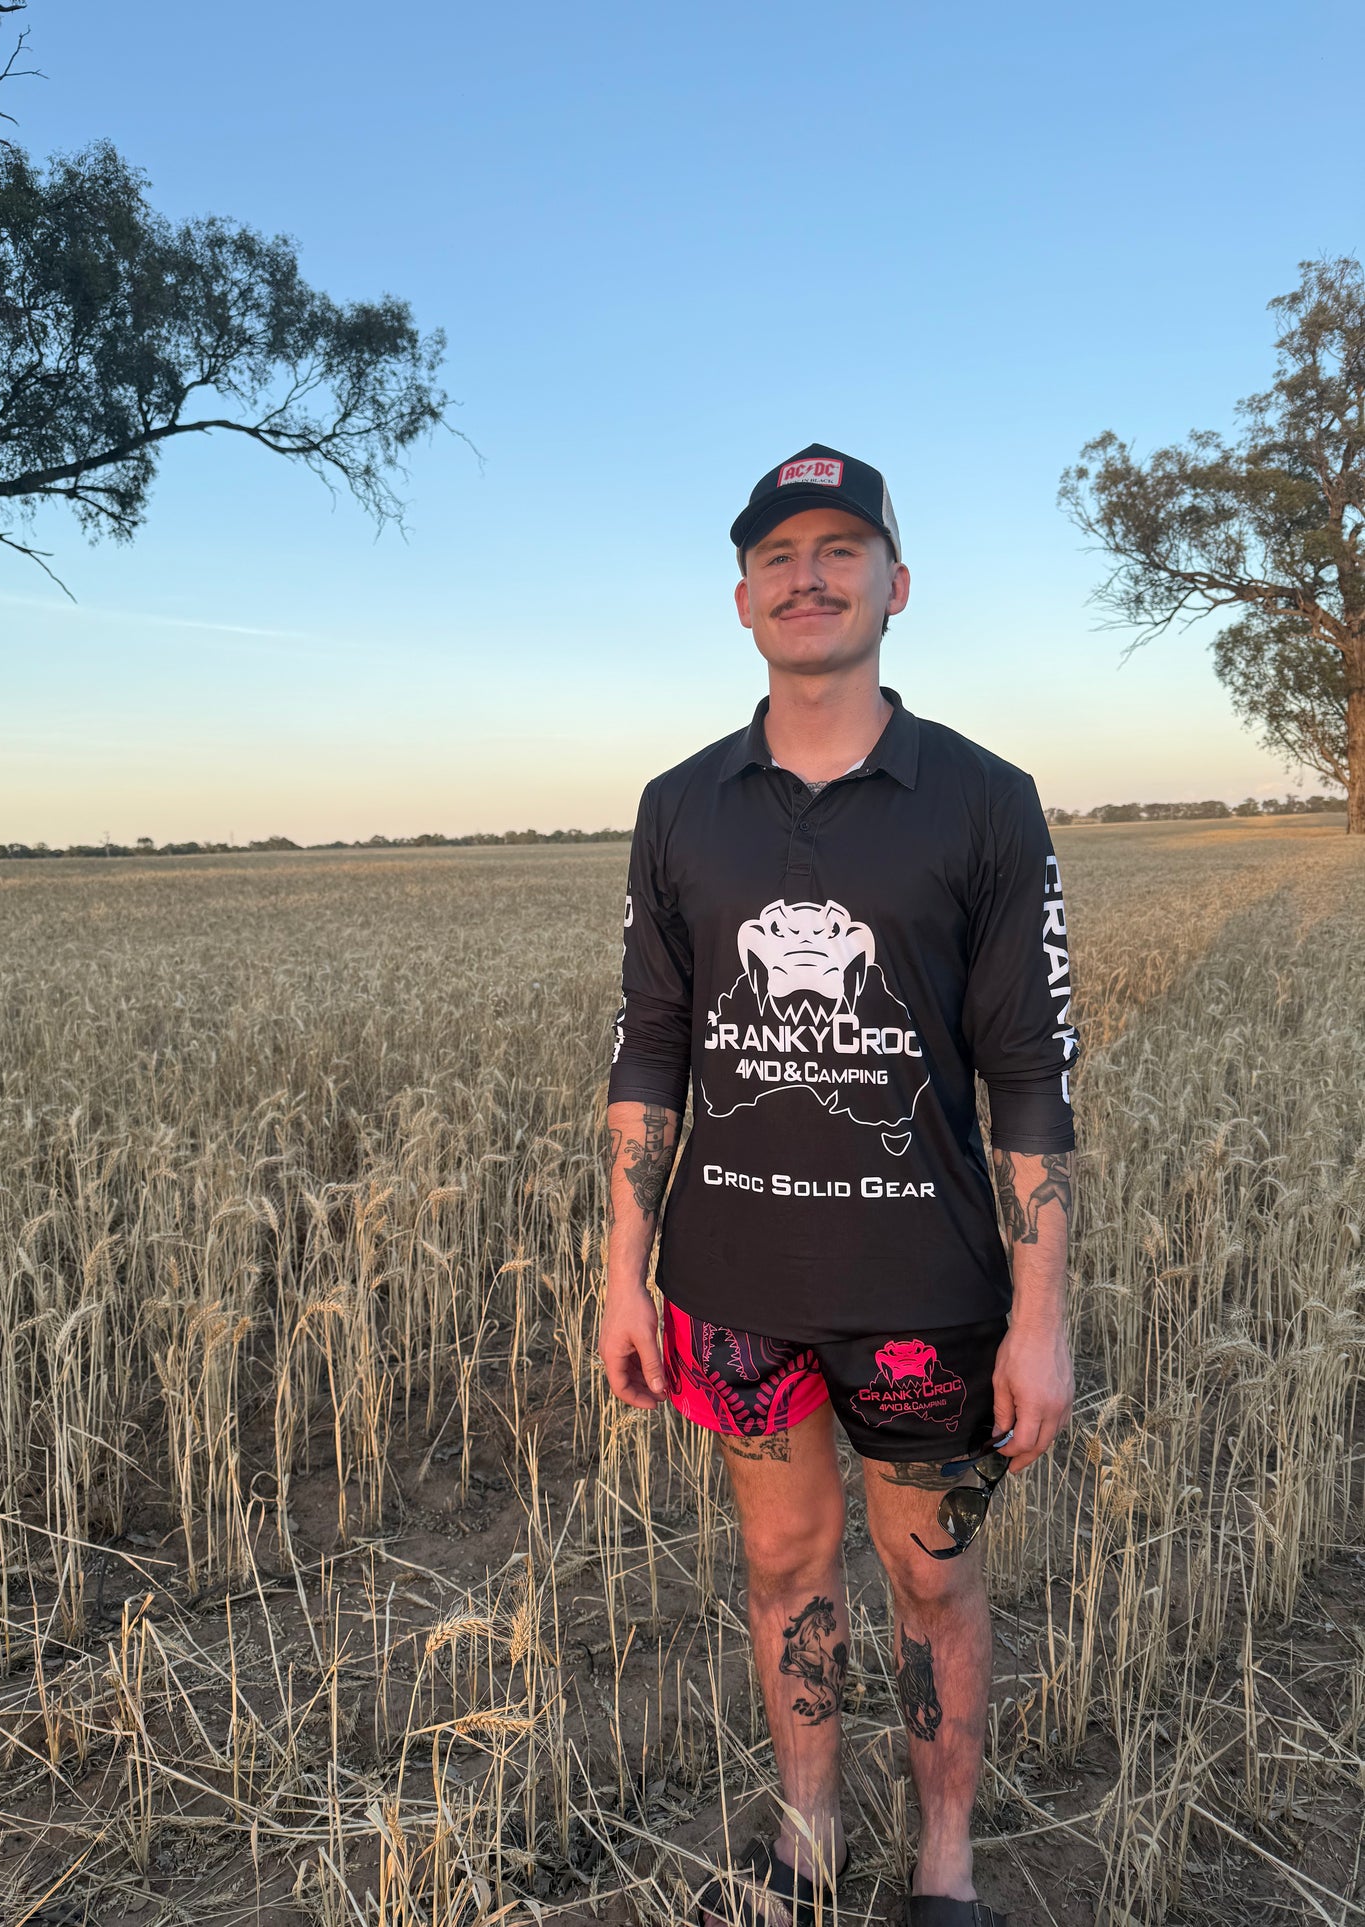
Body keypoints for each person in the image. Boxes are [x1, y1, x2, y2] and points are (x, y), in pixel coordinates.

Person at [601, 445, 1078, 1927]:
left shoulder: (985, 802)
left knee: (928, 1581)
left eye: (839, 549)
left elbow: (1029, 1077)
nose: (807, 577)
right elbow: (649, 1050)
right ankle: (804, 1839)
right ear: (741, 599)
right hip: (734, 1289)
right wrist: (621, 1270)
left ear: (895, 583)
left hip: (927, 1292)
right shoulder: (683, 805)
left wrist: (1039, 1313)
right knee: (780, 1562)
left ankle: (945, 1869)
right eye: (778, 556)